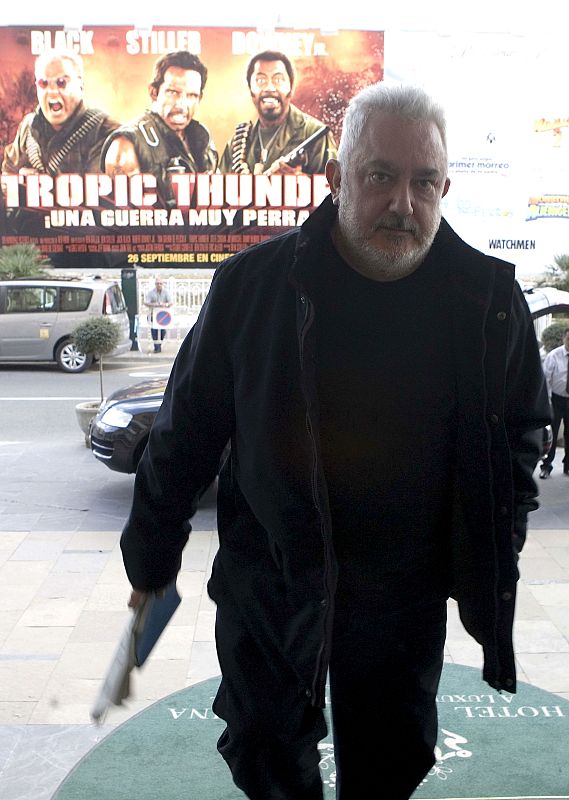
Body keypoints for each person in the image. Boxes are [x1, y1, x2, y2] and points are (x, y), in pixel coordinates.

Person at [120, 83, 550, 799]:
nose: (402, 204)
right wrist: (151, 557)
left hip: (403, 593)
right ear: (335, 178)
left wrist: (494, 543)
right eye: (379, 175)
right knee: (264, 751)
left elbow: (519, 434)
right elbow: (184, 434)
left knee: (391, 759)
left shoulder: (486, 301)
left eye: (423, 183)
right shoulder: (251, 288)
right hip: (272, 578)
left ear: (445, 189)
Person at [102, 50, 217, 207]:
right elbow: (126, 217)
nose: (181, 104)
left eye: (191, 95)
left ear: (199, 98)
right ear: (154, 92)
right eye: (173, 92)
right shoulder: (125, 146)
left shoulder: (202, 137)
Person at [219, 50, 337, 175]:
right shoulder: (237, 142)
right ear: (250, 89)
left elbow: (336, 184)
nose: (269, 88)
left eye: (278, 80)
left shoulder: (315, 133)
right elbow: (219, 185)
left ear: (291, 88)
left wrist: (298, 180)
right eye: (260, 80)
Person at [2, 48, 117, 176]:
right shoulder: (28, 127)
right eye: (43, 83)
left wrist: (35, 182)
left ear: (80, 85)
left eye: (61, 82)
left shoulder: (103, 130)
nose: (52, 91)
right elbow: (8, 174)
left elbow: (96, 186)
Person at [539, 328, 569, 478]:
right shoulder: (554, 356)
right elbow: (546, 380)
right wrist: (548, 401)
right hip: (556, 400)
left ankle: (567, 466)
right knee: (553, 432)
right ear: (564, 338)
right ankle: (546, 466)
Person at [144, 277, 172, 353]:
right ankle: (157, 347)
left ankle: (159, 345)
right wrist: (155, 304)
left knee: (163, 332)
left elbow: (171, 302)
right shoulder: (151, 293)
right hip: (153, 315)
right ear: (155, 284)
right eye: (157, 283)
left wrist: (165, 304)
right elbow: (146, 303)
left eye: (160, 283)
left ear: (162, 284)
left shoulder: (166, 292)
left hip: (162, 315)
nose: (159, 285)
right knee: (154, 331)